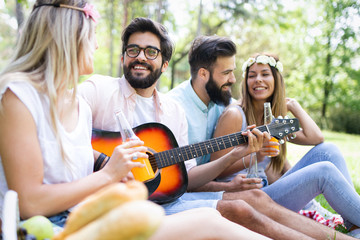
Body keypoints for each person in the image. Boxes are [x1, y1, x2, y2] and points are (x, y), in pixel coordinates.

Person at [0, 2, 271, 239]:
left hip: (86, 217)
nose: (95, 44)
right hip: (49, 228)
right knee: (211, 221)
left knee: (220, 216)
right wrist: (109, 173)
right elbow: (29, 202)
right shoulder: (19, 95)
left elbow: (74, 152)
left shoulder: (78, 104)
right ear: (70, 37)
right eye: (92, 36)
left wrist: (110, 164)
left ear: (164, 65)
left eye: (151, 52)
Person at [80, 20, 356, 239]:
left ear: (164, 64)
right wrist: (105, 161)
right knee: (240, 205)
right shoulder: (99, 89)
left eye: (151, 51)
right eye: (133, 50)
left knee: (254, 197)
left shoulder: (171, 112)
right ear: (122, 57)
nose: (140, 57)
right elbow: (59, 129)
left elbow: (186, 176)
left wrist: (237, 154)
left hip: (164, 199)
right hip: (116, 201)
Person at [211, 52, 360, 237]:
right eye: (252, 75)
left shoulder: (272, 119)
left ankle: (354, 226)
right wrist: (255, 156)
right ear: (245, 82)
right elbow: (215, 169)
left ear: (276, 80)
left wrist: (294, 106)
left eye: (265, 74)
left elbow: (316, 138)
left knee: (329, 151)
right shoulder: (235, 114)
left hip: (268, 191)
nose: (258, 80)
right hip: (251, 198)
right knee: (324, 172)